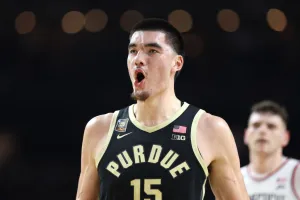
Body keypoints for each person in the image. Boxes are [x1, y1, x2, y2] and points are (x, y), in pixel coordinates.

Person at [76, 18, 249, 200]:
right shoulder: (99, 129)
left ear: (177, 63)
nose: (139, 59)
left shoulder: (209, 129)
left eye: (152, 51)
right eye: (133, 51)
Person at [241, 100, 300, 199]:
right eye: (256, 125)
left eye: (271, 126)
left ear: (285, 137)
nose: (262, 131)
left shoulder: (296, 172)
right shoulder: (236, 178)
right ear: (246, 135)